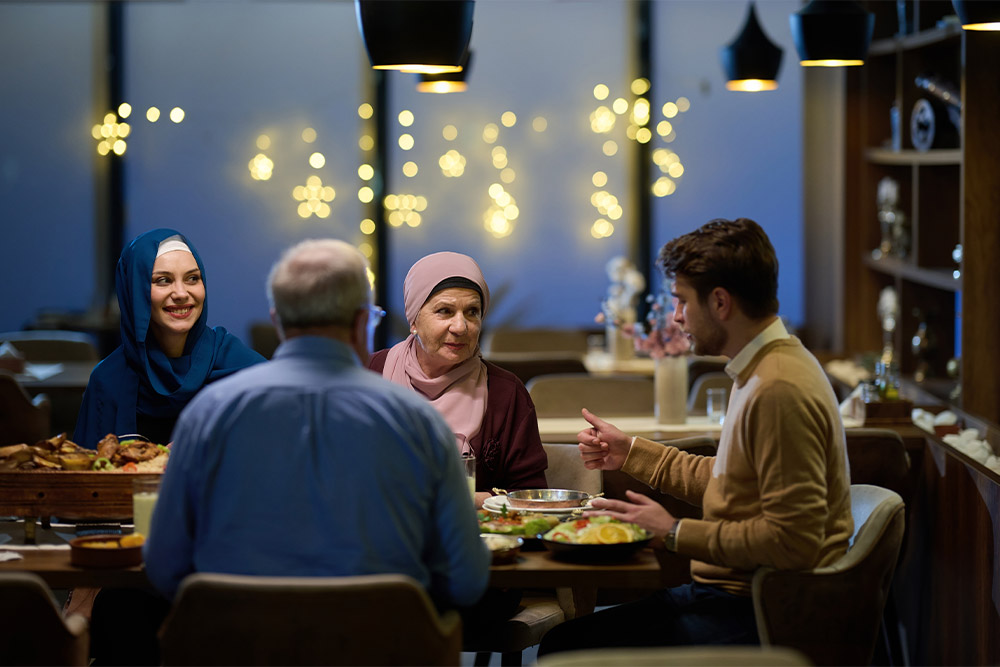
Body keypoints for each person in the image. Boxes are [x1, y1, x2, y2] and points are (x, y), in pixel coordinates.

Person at [538, 218, 854, 655]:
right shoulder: (765, 367)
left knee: (565, 648)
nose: (676, 317)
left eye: (683, 302)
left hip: (757, 612)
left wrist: (672, 532)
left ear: (721, 302)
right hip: (732, 594)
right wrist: (629, 451)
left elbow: (792, 544)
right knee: (565, 640)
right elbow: (732, 482)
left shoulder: (778, 387)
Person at [144, 237, 489, 602]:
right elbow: (465, 580)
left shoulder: (208, 414)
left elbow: (164, 567)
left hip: (246, 649)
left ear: (277, 320)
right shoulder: (420, 424)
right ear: (362, 322)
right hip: (381, 647)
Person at [369, 251, 547, 507]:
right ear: (414, 320)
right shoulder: (370, 375)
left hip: (476, 539)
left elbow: (533, 496)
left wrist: (467, 501)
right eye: (444, 311)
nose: (460, 327)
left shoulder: (506, 393)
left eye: (472, 312)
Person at [73, 228, 264, 448]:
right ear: (135, 292)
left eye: (192, 278)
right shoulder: (107, 380)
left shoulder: (240, 367)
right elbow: (87, 473)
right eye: (163, 280)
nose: (181, 293)